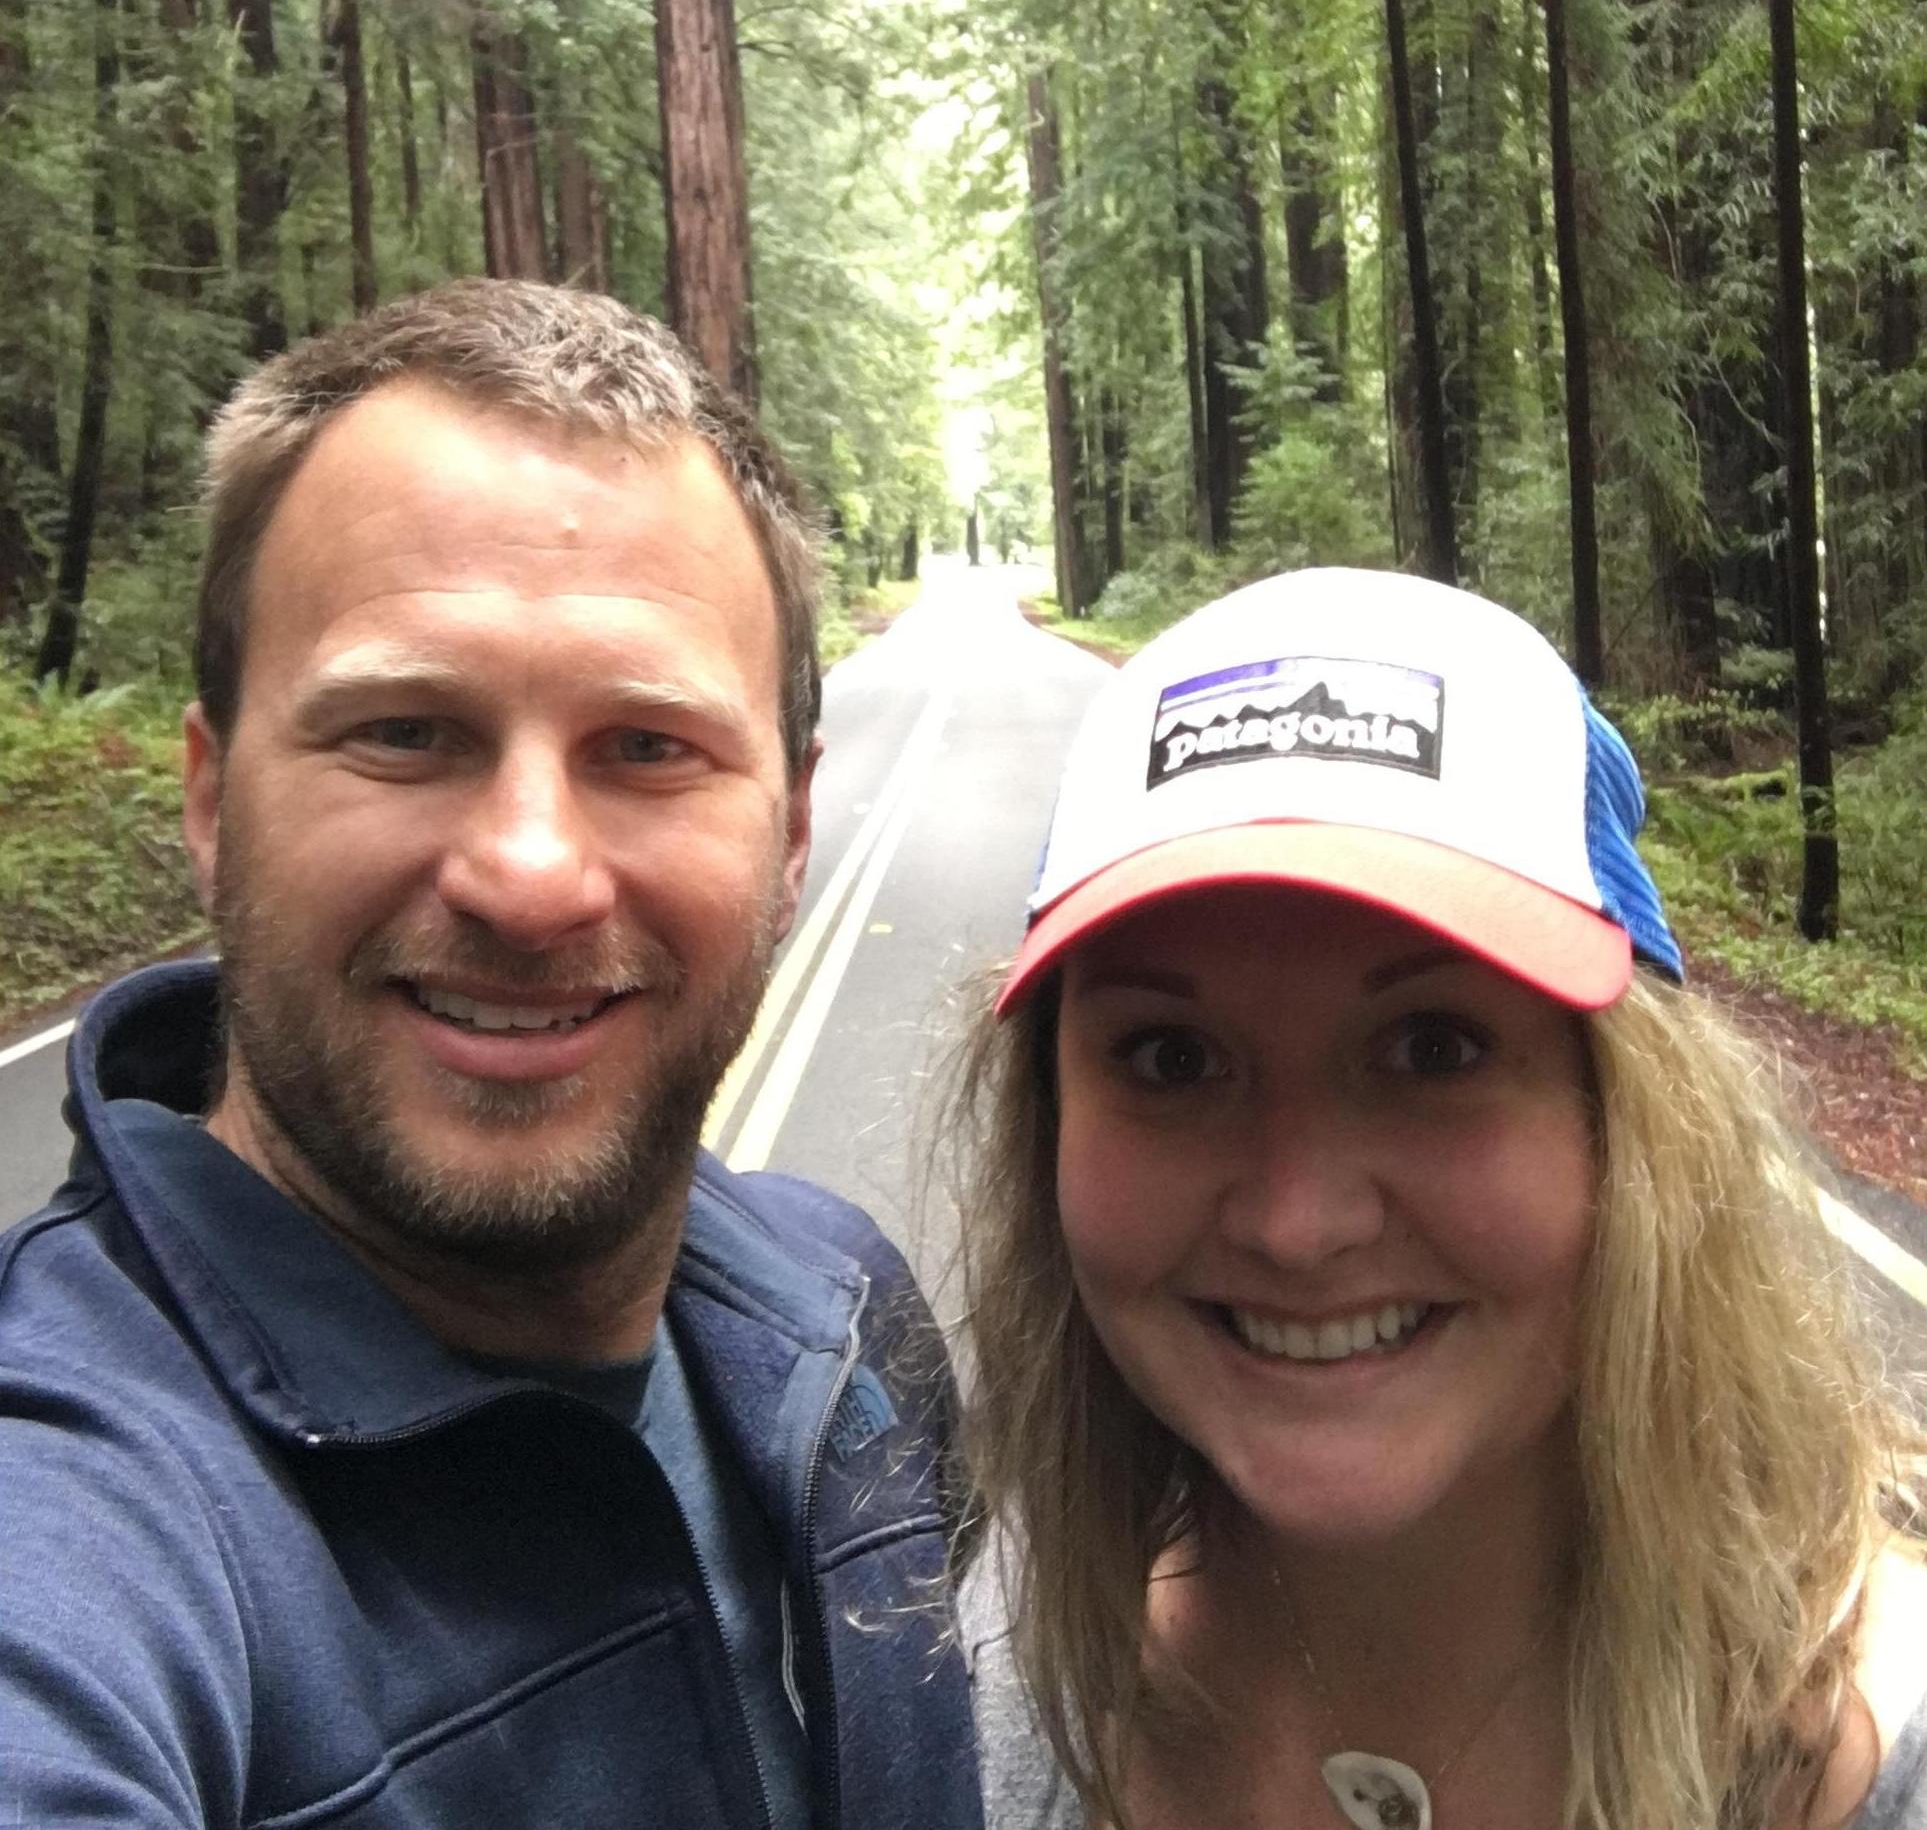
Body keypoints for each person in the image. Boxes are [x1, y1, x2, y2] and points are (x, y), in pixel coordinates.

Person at [0, 281, 980, 1829]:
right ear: (209, 798)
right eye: (403, 730)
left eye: (647, 747)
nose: (529, 874)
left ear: (790, 833)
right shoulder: (73, 1509)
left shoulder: (844, 1326)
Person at [950, 566, 1927, 1830]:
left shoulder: (1876, 1752)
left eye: (1433, 1049)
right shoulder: (981, 1680)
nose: (1297, 1222)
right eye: (1171, 1059)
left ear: (1633, 1122)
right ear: (1052, 1125)